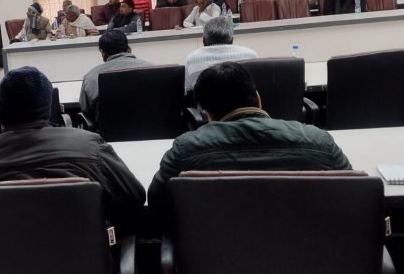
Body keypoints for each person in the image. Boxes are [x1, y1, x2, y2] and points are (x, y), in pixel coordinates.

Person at [147, 62, 352, 213]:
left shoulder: (185, 150)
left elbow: (156, 204)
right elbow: (352, 193)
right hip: (312, 255)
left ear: (206, 113)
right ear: (259, 99)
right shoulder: (320, 142)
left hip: (214, 257)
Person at [0, 66, 146, 229]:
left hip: (6, 256)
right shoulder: (89, 146)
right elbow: (134, 197)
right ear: (48, 107)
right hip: (84, 255)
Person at [79, 31, 153, 123]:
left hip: (107, 132)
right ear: (129, 49)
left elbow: (86, 111)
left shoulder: (91, 77)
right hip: (155, 130)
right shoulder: (154, 70)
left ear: (103, 53)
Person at [183, 17, 257, 92]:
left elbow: (187, 91)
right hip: (242, 99)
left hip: (206, 99)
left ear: (204, 40)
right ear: (232, 40)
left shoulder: (192, 59)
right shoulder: (251, 56)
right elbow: (256, 88)